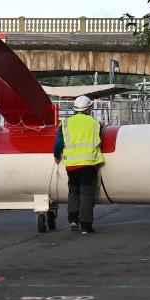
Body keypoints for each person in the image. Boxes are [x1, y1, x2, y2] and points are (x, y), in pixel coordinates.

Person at [54, 95, 105, 235]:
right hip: (89, 164)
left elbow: (58, 143)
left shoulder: (65, 123)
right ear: (89, 109)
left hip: (71, 164)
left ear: (75, 109)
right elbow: (100, 139)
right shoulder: (95, 123)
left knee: (73, 191)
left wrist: (56, 156)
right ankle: (86, 227)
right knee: (87, 194)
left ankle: (73, 220)